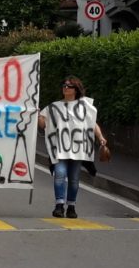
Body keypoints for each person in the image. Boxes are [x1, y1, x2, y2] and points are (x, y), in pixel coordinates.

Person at [38, 75, 107, 219]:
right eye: (64, 85)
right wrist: (38, 116)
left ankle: (71, 206)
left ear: (76, 89)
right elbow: (43, 125)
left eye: (68, 86)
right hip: (60, 148)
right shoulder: (54, 107)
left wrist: (100, 137)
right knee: (59, 174)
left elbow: (92, 123)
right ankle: (59, 205)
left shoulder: (84, 106)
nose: (65, 88)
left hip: (78, 149)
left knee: (74, 179)